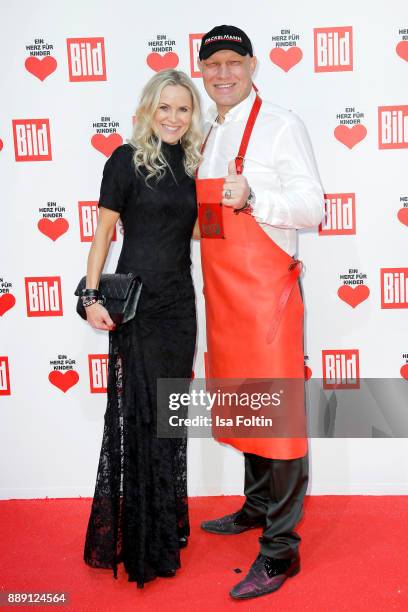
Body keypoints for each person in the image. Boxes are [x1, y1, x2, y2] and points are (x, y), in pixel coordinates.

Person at [196, 26, 324, 600]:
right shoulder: (210, 130)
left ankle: (280, 552)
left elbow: (313, 207)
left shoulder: (281, 124)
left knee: (281, 424)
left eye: (233, 62)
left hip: (267, 296)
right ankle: (255, 507)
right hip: (224, 298)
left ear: (252, 66)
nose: (223, 73)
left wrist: (256, 198)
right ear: (201, 71)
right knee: (246, 404)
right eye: (212, 64)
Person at [82, 69, 202, 587]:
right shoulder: (125, 161)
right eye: (165, 108)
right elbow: (104, 233)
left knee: (170, 417)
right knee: (143, 418)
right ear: (148, 111)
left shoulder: (196, 164)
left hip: (180, 303)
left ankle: (163, 525)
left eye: (183, 109)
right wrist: (88, 295)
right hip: (139, 305)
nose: (174, 118)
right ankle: (143, 542)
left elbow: (202, 231)